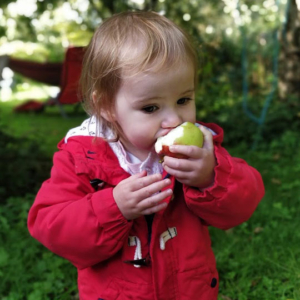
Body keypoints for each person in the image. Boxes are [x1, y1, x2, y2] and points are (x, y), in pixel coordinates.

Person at [27, 11, 265, 300]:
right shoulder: (81, 157)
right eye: (151, 108)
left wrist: (211, 176)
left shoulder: (198, 151)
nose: (173, 120)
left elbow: (244, 201)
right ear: (106, 106)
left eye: (183, 100)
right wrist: (113, 207)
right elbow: (50, 224)